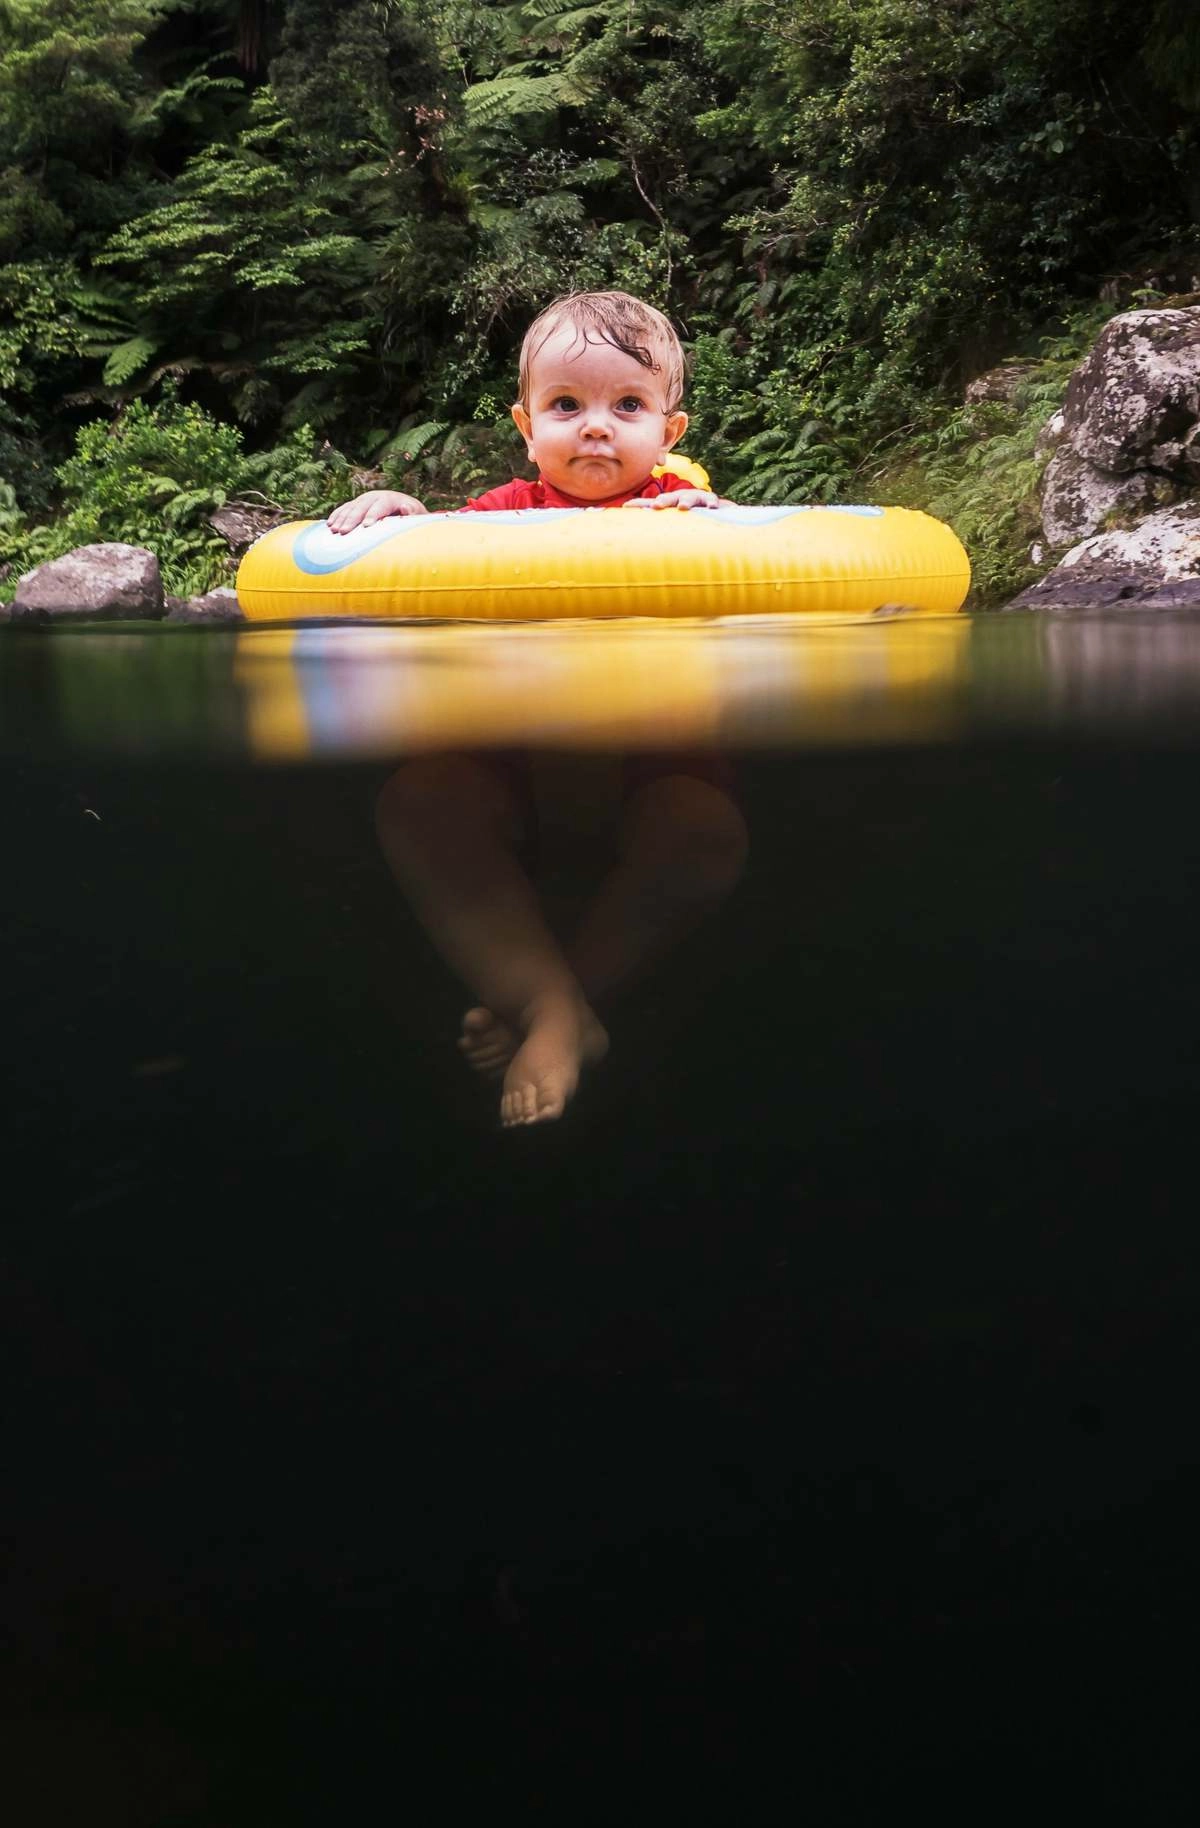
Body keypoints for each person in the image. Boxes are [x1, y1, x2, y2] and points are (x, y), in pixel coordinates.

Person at [328, 290, 748, 1127]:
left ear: (670, 432)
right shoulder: (503, 515)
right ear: (526, 427)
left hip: (651, 763)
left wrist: (718, 520)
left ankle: (556, 1007)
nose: (595, 427)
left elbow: (762, 557)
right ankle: (558, 1009)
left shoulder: (684, 511)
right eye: (565, 405)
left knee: (706, 831)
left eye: (627, 406)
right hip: (509, 761)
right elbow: (434, 549)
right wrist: (402, 517)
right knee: (417, 802)